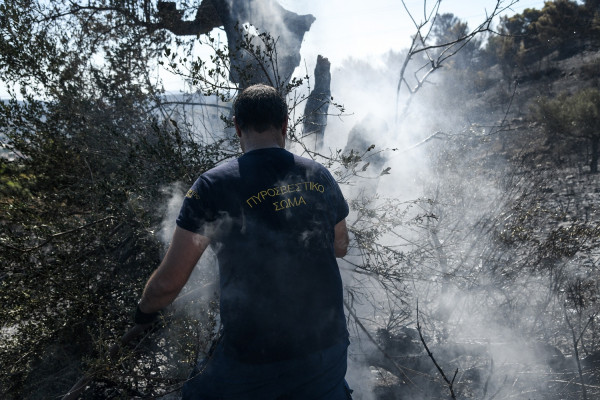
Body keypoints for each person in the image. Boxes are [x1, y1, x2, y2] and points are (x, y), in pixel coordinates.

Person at [134, 84, 352, 399]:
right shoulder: (319, 176)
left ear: (237, 126)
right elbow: (340, 246)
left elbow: (169, 283)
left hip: (255, 359)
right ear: (285, 124)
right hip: (328, 347)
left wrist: (143, 314)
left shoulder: (213, 185)